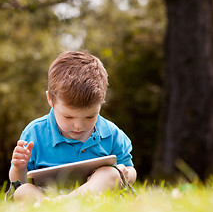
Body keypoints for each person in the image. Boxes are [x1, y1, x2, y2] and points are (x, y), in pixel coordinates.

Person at [9, 51, 137, 202]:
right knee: (22, 191)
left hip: (94, 196)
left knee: (111, 174)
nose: (78, 126)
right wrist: (19, 167)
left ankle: (66, 203)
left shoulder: (112, 133)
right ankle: (53, 206)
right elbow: (18, 181)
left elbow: (130, 169)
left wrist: (126, 174)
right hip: (47, 196)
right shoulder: (35, 133)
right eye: (68, 117)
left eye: (90, 116)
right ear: (50, 99)